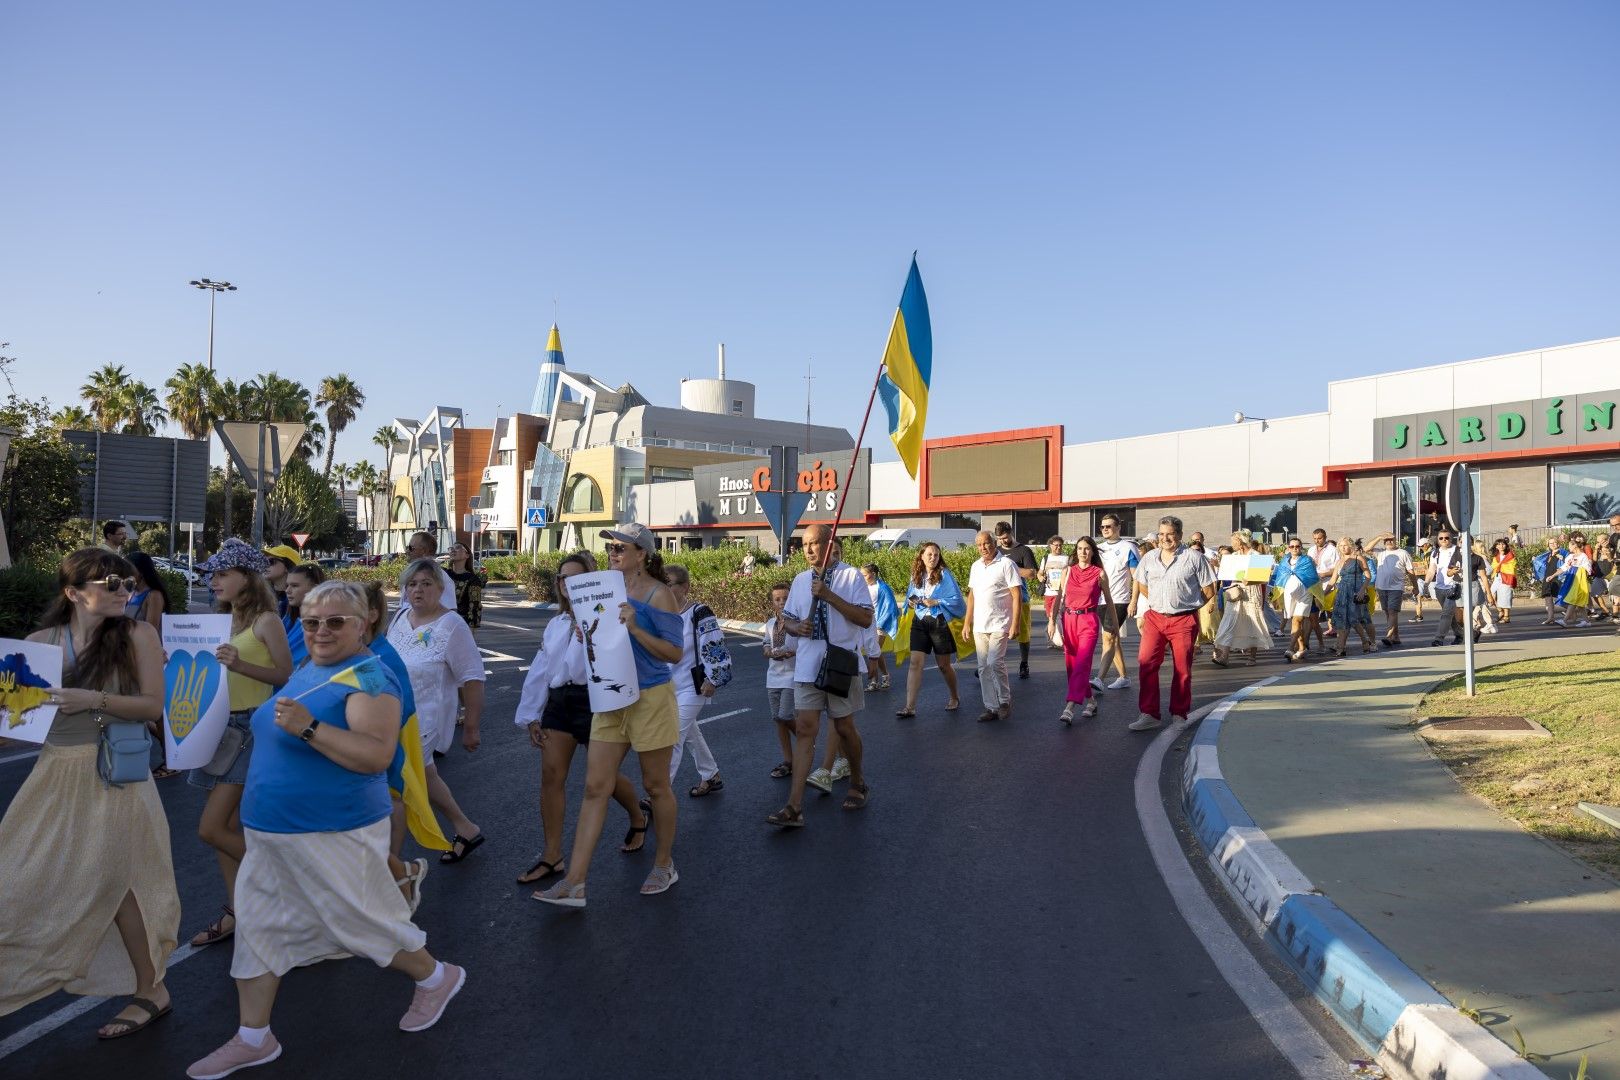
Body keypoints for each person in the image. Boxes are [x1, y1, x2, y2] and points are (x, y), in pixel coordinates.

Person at [184, 581, 467, 1079]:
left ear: (365, 624)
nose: (321, 630)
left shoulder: (368, 678)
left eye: (336, 621)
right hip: (272, 830)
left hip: (333, 829)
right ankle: (254, 1037)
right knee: (258, 929)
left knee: (362, 923)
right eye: (312, 621)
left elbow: (375, 755)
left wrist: (310, 728)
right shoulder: (309, 669)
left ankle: (436, 977)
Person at [0, 548, 179, 1039]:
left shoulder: (139, 634)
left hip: (114, 778)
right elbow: (14, 727)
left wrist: (92, 700)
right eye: (111, 584)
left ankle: (151, 990)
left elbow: (152, 707)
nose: (125, 591)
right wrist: (12, 708)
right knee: (13, 877)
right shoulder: (39, 643)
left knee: (117, 885)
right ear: (74, 592)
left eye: (127, 583)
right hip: (55, 774)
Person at [537, 523, 685, 901]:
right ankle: (574, 881)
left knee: (655, 786)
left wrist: (635, 628)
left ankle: (664, 863)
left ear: (643, 554)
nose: (614, 552)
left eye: (622, 547)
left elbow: (673, 654)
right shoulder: (602, 586)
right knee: (594, 787)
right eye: (611, 547)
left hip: (650, 697)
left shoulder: (658, 593)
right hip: (607, 695)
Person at [513, 554, 647, 887]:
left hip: (598, 703)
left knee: (604, 779)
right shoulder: (556, 623)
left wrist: (590, 627)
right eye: (562, 578)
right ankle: (552, 855)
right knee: (550, 777)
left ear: (590, 582)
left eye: (574, 578)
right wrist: (531, 714)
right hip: (560, 703)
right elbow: (541, 669)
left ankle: (638, 817)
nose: (566, 584)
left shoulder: (607, 614)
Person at [187, 539, 294, 951]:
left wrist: (239, 663)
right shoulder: (221, 619)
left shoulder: (266, 619)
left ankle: (287, 886)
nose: (213, 581)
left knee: (211, 828)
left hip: (250, 727)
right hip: (218, 726)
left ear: (246, 578)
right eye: (212, 574)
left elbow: (285, 675)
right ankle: (238, 912)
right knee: (226, 829)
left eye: (222, 574)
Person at [765, 524, 874, 828]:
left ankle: (858, 781)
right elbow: (787, 618)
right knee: (805, 729)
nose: (809, 549)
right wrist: (794, 627)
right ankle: (794, 806)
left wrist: (828, 596)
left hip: (840, 663)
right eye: (804, 545)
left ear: (829, 544)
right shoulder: (800, 581)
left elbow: (865, 618)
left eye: (815, 543)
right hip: (808, 665)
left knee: (843, 725)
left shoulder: (850, 576)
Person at [387, 558, 486, 863]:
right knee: (426, 776)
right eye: (412, 584)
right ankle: (465, 827)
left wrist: (471, 727)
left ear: (440, 589)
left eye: (426, 584)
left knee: (394, 787)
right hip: (393, 717)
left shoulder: (452, 625)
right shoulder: (400, 617)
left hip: (426, 719)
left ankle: (390, 863)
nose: (417, 590)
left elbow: (473, 677)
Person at [1129, 517, 1217, 731]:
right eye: (1161, 534)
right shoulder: (1149, 557)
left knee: (1182, 669)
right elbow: (1141, 583)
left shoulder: (1194, 558)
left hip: (1184, 619)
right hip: (1155, 617)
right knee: (1146, 663)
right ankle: (1149, 714)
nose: (1164, 538)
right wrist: (1160, 602)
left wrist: (1189, 605)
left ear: (1179, 535)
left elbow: (1209, 589)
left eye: (1169, 534)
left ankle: (1179, 713)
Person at [666, 563, 732, 798]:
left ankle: (657, 795)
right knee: (691, 734)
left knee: (672, 736)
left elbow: (715, 645)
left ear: (685, 587)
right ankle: (711, 774)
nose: (665, 587)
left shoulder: (699, 612)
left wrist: (714, 678)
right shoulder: (662, 614)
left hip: (694, 686)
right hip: (668, 686)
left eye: (669, 583)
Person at [1054, 535, 1118, 722]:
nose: (1083, 552)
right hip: (1069, 619)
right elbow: (1060, 596)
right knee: (1072, 666)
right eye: (1080, 548)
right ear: (1076, 551)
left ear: (1092, 552)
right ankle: (1091, 701)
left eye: (1087, 549)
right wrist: (1052, 620)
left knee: (1082, 663)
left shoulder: (1099, 573)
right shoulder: (1068, 571)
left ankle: (1070, 706)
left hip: (1089, 620)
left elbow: (1109, 599)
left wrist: (1114, 623)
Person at [897, 541, 963, 717]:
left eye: (936, 555)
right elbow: (909, 600)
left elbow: (957, 600)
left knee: (943, 665)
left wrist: (937, 601)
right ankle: (909, 707)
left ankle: (954, 696)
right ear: (922, 556)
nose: (933, 558)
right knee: (914, 663)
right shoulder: (916, 574)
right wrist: (911, 603)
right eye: (929, 554)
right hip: (919, 621)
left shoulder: (944, 574)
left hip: (938, 622)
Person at [964, 530, 1022, 722]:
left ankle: (1005, 701)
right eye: (979, 545)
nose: (983, 548)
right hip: (980, 625)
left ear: (994, 543)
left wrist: (1015, 623)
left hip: (1000, 622)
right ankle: (991, 707)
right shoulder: (976, 566)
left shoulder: (1006, 564)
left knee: (994, 662)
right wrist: (967, 623)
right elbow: (971, 596)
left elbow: (1016, 595)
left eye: (986, 543)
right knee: (983, 668)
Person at [1211, 531, 1271, 666]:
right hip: (1235, 591)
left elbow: (1262, 578)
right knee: (1229, 621)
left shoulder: (1256, 556)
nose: (1232, 544)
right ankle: (1224, 656)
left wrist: (1248, 581)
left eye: (1233, 541)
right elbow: (1229, 572)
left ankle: (1252, 657)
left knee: (1252, 622)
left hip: (1251, 593)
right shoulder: (1234, 556)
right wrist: (1219, 565)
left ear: (1240, 541)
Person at [1094, 514, 1137, 690]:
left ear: (1118, 527)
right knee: (1113, 639)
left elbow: (1137, 578)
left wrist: (1134, 601)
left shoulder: (1129, 547)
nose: (1105, 529)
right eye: (1102, 527)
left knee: (1108, 638)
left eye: (1109, 526)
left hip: (1119, 599)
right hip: (1100, 600)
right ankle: (1124, 677)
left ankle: (1099, 679)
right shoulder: (1098, 548)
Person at [762, 581, 801, 776]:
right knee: (778, 719)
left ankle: (805, 742)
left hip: (792, 676)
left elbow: (804, 647)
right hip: (773, 677)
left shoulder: (797, 623)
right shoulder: (770, 623)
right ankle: (788, 760)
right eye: (777, 599)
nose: (781, 602)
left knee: (786, 715)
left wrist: (792, 653)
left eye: (785, 598)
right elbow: (766, 645)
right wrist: (769, 652)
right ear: (772, 603)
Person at [992, 521, 1038, 679]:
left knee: (1023, 633)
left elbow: (1032, 574)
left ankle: (1024, 663)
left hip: (1020, 598)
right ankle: (991, 663)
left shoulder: (1023, 550)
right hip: (999, 598)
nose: (1003, 541)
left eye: (1005, 537)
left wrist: (1010, 568)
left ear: (1011, 532)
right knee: (996, 632)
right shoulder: (996, 551)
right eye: (999, 538)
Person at [1270, 537, 1319, 662]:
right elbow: (1279, 579)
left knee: (1298, 619)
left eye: (1297, 546)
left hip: (1305, 595)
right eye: (1292, 546)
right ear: (1288, 548)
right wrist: (1276, 596)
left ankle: (1290, 648)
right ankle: (1302, 648)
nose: (1295, 548)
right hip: (1289, 595)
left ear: (1301, 547)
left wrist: (1316, 594)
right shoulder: (1284, 561)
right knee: (1295, 622)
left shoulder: (1307, 560)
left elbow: (1314, 578)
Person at [1327, 537, 1375, 655]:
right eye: (1341, 546)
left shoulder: (1359, 558)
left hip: (1355, 592)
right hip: (1343, 592)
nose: (1343, 548)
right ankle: (1342, 647)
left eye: (1345, 545)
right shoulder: (1339, 561)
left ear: (1351, 545)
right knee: (1343, 620)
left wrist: (1362, 590)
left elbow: (1368, 576)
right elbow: (1333, 580)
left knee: (1355, 619)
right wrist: (1323, 594)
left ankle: (1364, 642)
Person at [1371, 534, 1414, 648]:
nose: (1389, 541)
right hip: (1381, 587)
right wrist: (1379, 537)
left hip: (1396, 587)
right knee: (1388, 613)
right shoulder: (1380, 552)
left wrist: (1415, 586)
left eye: (1391, 539)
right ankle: (1396, 637)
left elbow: (1410, 570)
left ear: (1396, 540)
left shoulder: (1403, 553)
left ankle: (1389, 636)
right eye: (1386, 540)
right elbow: (1366, 549)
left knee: (1392, 612)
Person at [1424, 529, 1466, 646]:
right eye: (1441, 538)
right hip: (1439, 588)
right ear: (1438, 540)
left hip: (1454, 586)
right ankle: (1460, 634)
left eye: (1446, 538)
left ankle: (1439, 639)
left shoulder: (1458, 550)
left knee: (1446, 613)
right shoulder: (1435, 552)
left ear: (1451, 538)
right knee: (1449, 614)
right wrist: (1426, 584)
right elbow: (1432, 569)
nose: (1444, 540)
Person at [860, 564, 897, 692]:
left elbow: (891, 607)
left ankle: (874, 681)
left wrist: (881, 623)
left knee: (874, 651)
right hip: (867, 623)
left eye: (865, 575)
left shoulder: (883, 588)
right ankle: (885, 675)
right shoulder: (862, 587)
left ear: (873, 574)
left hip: (880, 623)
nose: (862, 577)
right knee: (875, 651)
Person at [283, 563, 327, 669]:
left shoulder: (322, 626)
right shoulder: (290, 618)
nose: (287, 590)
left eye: (294, 586)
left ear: (315, 589)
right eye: (287, 585)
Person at [406, 530, 458, 608]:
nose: (407, 551)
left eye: (410, 548)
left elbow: (450, 611)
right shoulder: (410, 574)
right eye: (407, 547)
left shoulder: (441, 578)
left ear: (425, 551)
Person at [444, 542, 486, 630]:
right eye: (451, 548)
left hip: (459, 626)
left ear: (467, 555)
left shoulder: (473, 579)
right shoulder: (443, 574)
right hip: (439, 622)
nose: (453, 550)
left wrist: (471, 631)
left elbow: (474, 607)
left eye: (458, 547)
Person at [1038, 536, 1068, 650]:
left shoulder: (1066, 559)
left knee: (1055, 616)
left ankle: (1061, 642)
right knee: (1051, 617)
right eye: (1056, 545)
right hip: (1049, 592)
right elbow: (1040, 573)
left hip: (1061, 592)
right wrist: (1041, 578)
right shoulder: (1046, 558)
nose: (1058, 547)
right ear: (1051, 546)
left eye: (1060, 545)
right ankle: (1052, 638)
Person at [125, 552, 167, 631]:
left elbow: (151, 630)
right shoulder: (131, 593)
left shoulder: (154, 595)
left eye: (129, 569)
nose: (126, 573)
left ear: (141, 571)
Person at [1533, 534, 1569, 625]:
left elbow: (1569, 562)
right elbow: (1541, 564)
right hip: (1548, 577)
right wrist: (1535, 560)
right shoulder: (1548, 554)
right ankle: (1550, 618)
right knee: (1548, 597)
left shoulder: (1563, 552)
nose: (1553, 544)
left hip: (1558, 577)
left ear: (1558, 544)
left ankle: (1573, 610)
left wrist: (1563, 558)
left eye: (1555, 543)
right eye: (1550, 543)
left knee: (1560, 598)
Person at [262, 544, 301, 622]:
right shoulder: (262, 595)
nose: (265, 565)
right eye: (264, 561)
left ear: (287, 566)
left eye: (271, 561)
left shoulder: (297, 600)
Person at [1489, 539, 1517, 625]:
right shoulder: (1495, 556)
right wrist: (1499, 566)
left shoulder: (1510, 555)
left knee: (1505, 596)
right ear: (1496, 546)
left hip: (1507, 577)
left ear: (1506, 545)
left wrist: (1501, 566)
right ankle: (1500, 611)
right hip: (1497, 577)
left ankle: (1506, 617)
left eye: (1503, 544)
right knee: (1490, 593)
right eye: (1499, 544)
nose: (1501, 546)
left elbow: (1513, 566)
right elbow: (1493, 566)